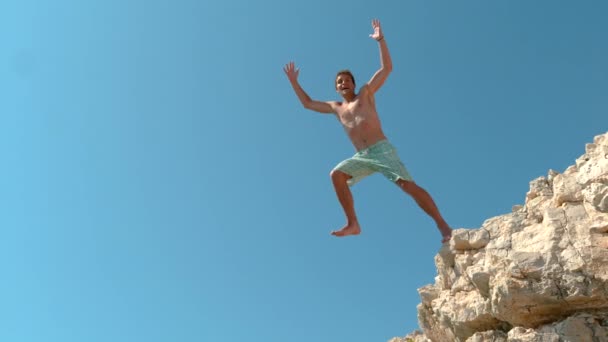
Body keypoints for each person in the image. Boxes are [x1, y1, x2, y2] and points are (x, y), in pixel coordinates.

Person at [283, 19, 452, 243]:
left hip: (381, 150)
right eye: (339, 82)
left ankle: (443, 225)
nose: (343, 83)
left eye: (347, 80)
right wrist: (294, 82)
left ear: (353, 84)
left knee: (407, 186)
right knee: (337, 175)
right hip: (362, 157)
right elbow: (307, 103)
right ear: (336, 87)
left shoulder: (365, 93)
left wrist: (380, 40)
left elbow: (387, 69)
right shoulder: (336, 107)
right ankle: (353, 223)